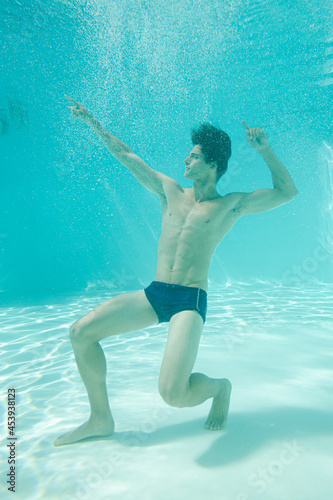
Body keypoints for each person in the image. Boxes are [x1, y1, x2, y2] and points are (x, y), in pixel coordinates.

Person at [54, 95, 298, 446]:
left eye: (194, 155)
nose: (186, 159)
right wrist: (93, 123)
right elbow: (127, 157)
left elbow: (287, 192)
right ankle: (100, 418)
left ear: (213, 163)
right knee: (81, 333)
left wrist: (264, 150)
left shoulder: (230, 205)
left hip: (189, 301)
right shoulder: (169, 190)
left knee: (173, 394)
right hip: (155, 293)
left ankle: (220, 388)